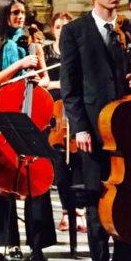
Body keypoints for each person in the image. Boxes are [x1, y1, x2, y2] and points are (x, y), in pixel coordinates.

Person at [60, 0, 131, 261]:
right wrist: (79, 127)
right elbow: (70, 86)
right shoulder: (75, 32)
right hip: (96, 130)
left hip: (129, 127)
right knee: (99, 200)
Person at [0, 0, 55, 260]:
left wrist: (37, 80)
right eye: (14, 13)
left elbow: (45, 79)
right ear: (4, 15)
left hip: (31, 114)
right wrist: (19, 66)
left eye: (22, 12)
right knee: (2, 176)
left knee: (35, 178)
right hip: (2, 114)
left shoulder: (33, 43)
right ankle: (5, 242)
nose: (20, 17)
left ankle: (37, 244)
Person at [47, 12, 85, 234]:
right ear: (53, 29)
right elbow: (41, 83)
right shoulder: (48, 55)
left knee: (79, 162)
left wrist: (55, 84)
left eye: (66, 25)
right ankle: (65, 211)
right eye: (58, 26)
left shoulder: (80, 51)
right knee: (60, 165)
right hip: (55, 118)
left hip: (76, 113)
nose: (62, 29)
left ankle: (79, 211)